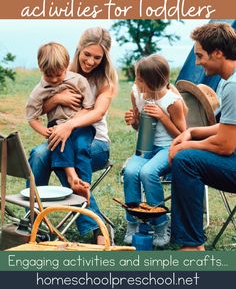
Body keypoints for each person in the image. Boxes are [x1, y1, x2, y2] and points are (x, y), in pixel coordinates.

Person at [28, 27, 118, 243]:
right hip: (63, 141)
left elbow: (98, 111)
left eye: (97, 57)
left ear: (104, 58)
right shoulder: (60, 71)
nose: (90, 61)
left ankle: (96, 227)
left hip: (95, 143)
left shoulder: (105, 81)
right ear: (78, 50)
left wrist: (69, 125)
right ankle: (32, 220)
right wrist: (58, 99)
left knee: (60, 154)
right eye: (87, 54)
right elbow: (39, 107)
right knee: (40, 154)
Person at [169, 22, 236, 251]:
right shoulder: (231, 79)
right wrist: (193, 132)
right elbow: (229, 128)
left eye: (200, 56)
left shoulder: (233, 86)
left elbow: (225, 145)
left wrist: (186, 146)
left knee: (186, 161)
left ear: (218, 53)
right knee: (188, 155)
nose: (197, 62)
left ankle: (191, 245)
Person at [123, 55, 187, 247]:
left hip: (168, 147)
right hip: (145, 146)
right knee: (131, 171)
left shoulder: (172, 101)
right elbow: (138, 127)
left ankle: (160, 224)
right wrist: (133, 121)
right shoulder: (137, 93)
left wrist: (163, 117)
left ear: (151, 82)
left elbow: (183, 135)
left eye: (139, 79)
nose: (135, 82)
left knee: (148, 172)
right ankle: (133, 222)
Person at [26, 42, 95, 202]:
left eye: (60, 74)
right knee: (59, 142)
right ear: (40, 68)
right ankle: (72, 178)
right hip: (56, 126)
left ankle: (84, 185)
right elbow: (32, 117)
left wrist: (71, 124)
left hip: (81, 126)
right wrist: (44, 131)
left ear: (66, 65)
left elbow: (89, 108)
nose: (56, 79)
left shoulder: (78, 81)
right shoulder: (38, 91)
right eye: (50, 76)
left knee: (81, 149)